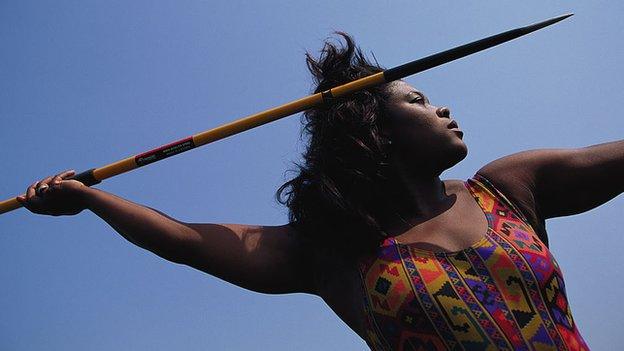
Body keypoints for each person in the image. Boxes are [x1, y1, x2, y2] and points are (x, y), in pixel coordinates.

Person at [17, 33, 622, 350]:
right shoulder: (333, 251)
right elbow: (185, 241)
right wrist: (90, 197)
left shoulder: (511, 186)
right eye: (416, 101)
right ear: (373, 134)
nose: (443, 108)